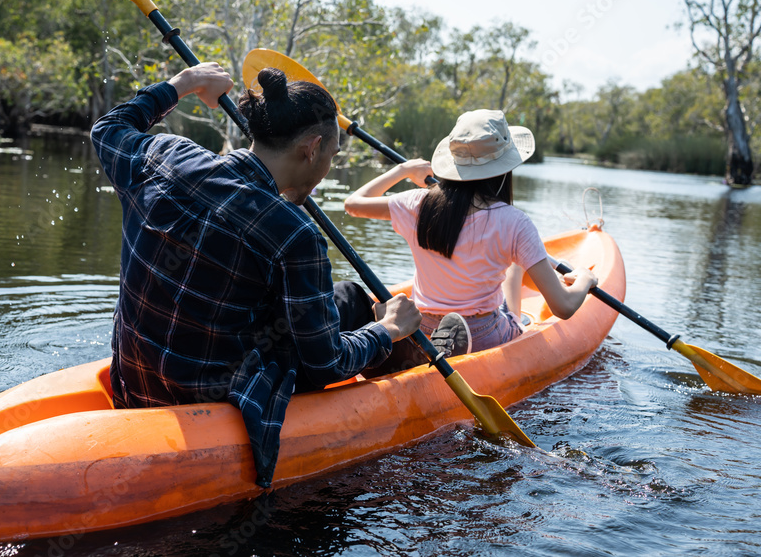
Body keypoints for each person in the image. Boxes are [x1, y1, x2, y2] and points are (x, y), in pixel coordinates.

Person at [91, 62, 421, 488]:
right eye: (332, 157)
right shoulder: (295, 235)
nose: (327, 169)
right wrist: (388, 330)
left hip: (134, 387)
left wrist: (184, 83)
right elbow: (326, 364)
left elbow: (109, 127)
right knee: (355, 303)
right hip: (217, 403)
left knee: (341, 296)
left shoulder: (165, 156)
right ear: (312, 147)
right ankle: (414, 360)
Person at [344, 108, 597, 358]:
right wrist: (586, 279)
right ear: (504, 167)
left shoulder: (417, 202)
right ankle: (485, 333)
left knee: (514, 266)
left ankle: (419, 346)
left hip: (420, 326)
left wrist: (404, 170)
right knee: (514, 294)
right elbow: (563, 307)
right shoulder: (516, 223)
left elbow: (353, 204)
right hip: (483, 333)